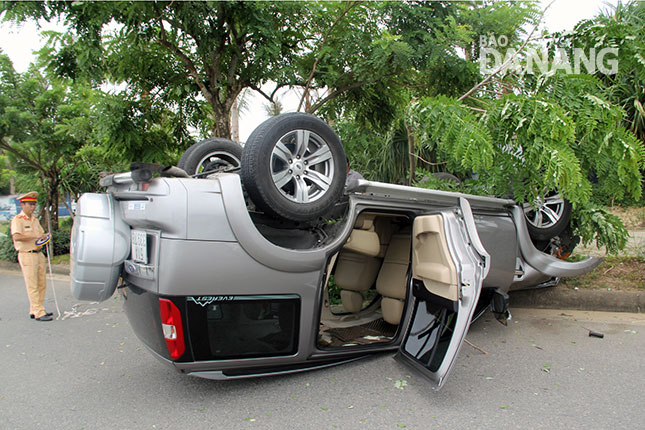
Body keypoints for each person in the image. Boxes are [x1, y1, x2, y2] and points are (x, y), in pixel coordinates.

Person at [11, 192, 52, 322]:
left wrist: (45, 236)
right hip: (26, 254)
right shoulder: (18, 220)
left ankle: (35, 309)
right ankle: (39, 312)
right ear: (22, 205)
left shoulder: (35, 220)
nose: (33, 207)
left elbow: (40, 235)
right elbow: (17, 236)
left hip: (38, 253)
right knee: (32, 284)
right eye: (30, 204)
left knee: (41, 283)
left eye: (34, 204)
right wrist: (35, 237)